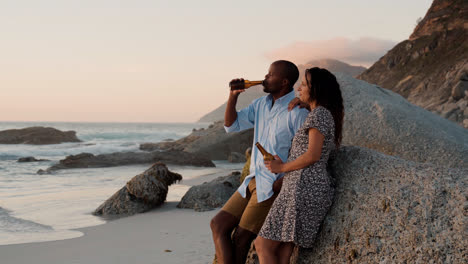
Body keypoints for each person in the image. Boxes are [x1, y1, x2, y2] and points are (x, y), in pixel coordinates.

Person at [210, 60, 309, 264]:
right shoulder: (261, 105)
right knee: (218, 224)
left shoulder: (297, 112)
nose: (265, 78)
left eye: (270, 75)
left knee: (241, 238)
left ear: (284, 82)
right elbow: (231, 124)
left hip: (272, 185)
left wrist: (280, 184)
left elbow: (306, 155)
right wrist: (233, 96)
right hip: (252, 180)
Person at [254, 67, 344, 264]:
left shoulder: (319, 115)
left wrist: (281, 168)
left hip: (302, 188)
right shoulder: (320, 113)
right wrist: (305, 103)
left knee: (263, 245)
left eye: (304, 85)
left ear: (317, 89)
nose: (298, 88)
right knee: (283, 254)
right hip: (302, 187)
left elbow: (313, 155)